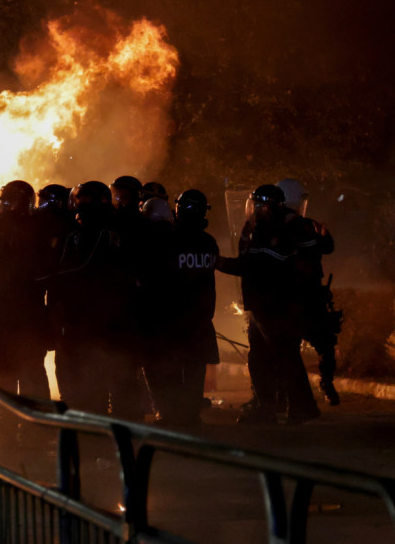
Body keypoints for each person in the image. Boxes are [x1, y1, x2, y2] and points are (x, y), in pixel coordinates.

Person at [218, 185, 320, 425]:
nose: (253, 208)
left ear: (269, 206)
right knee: (260, 357)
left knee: (285, 354)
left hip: (277, 305)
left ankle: (302, 406)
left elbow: (254, 266)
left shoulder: (276, 231)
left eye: (257, 204)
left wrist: (220, 263)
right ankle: (266, 406)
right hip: (260, 304)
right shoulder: (258, 227)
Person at [50, 181, 139, 417]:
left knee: (92, 375)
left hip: (86, 320)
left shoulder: (79, 236)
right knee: (119, 373)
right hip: (119, 318)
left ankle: (94, 421)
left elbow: (63, 275)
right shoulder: (125, 229)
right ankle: (126, 421)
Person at [143, 190, 220, 426]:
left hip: (171, 319)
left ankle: (169, 414)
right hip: (201, 319)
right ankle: (191, 415)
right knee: (194, 371)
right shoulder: (208, 242)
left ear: (178, 210)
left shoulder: (169, 240)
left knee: (166, 369)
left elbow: (156, 277)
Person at [0, 181, 51, 410]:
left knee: (5, 365)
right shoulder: (39, 227)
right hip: (30, 309)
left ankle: (10, 414)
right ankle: (36, 416)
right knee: (31, 365)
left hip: (4, 309)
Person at [277, 178, 341, 405]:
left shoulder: (304, 224)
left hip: (308, 295)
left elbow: (328, 247)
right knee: (289, 347)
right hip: (292, 296)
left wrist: (324, 234)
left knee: (324, 343)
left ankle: (325, 384)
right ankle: (289, 393)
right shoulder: (279, 227)